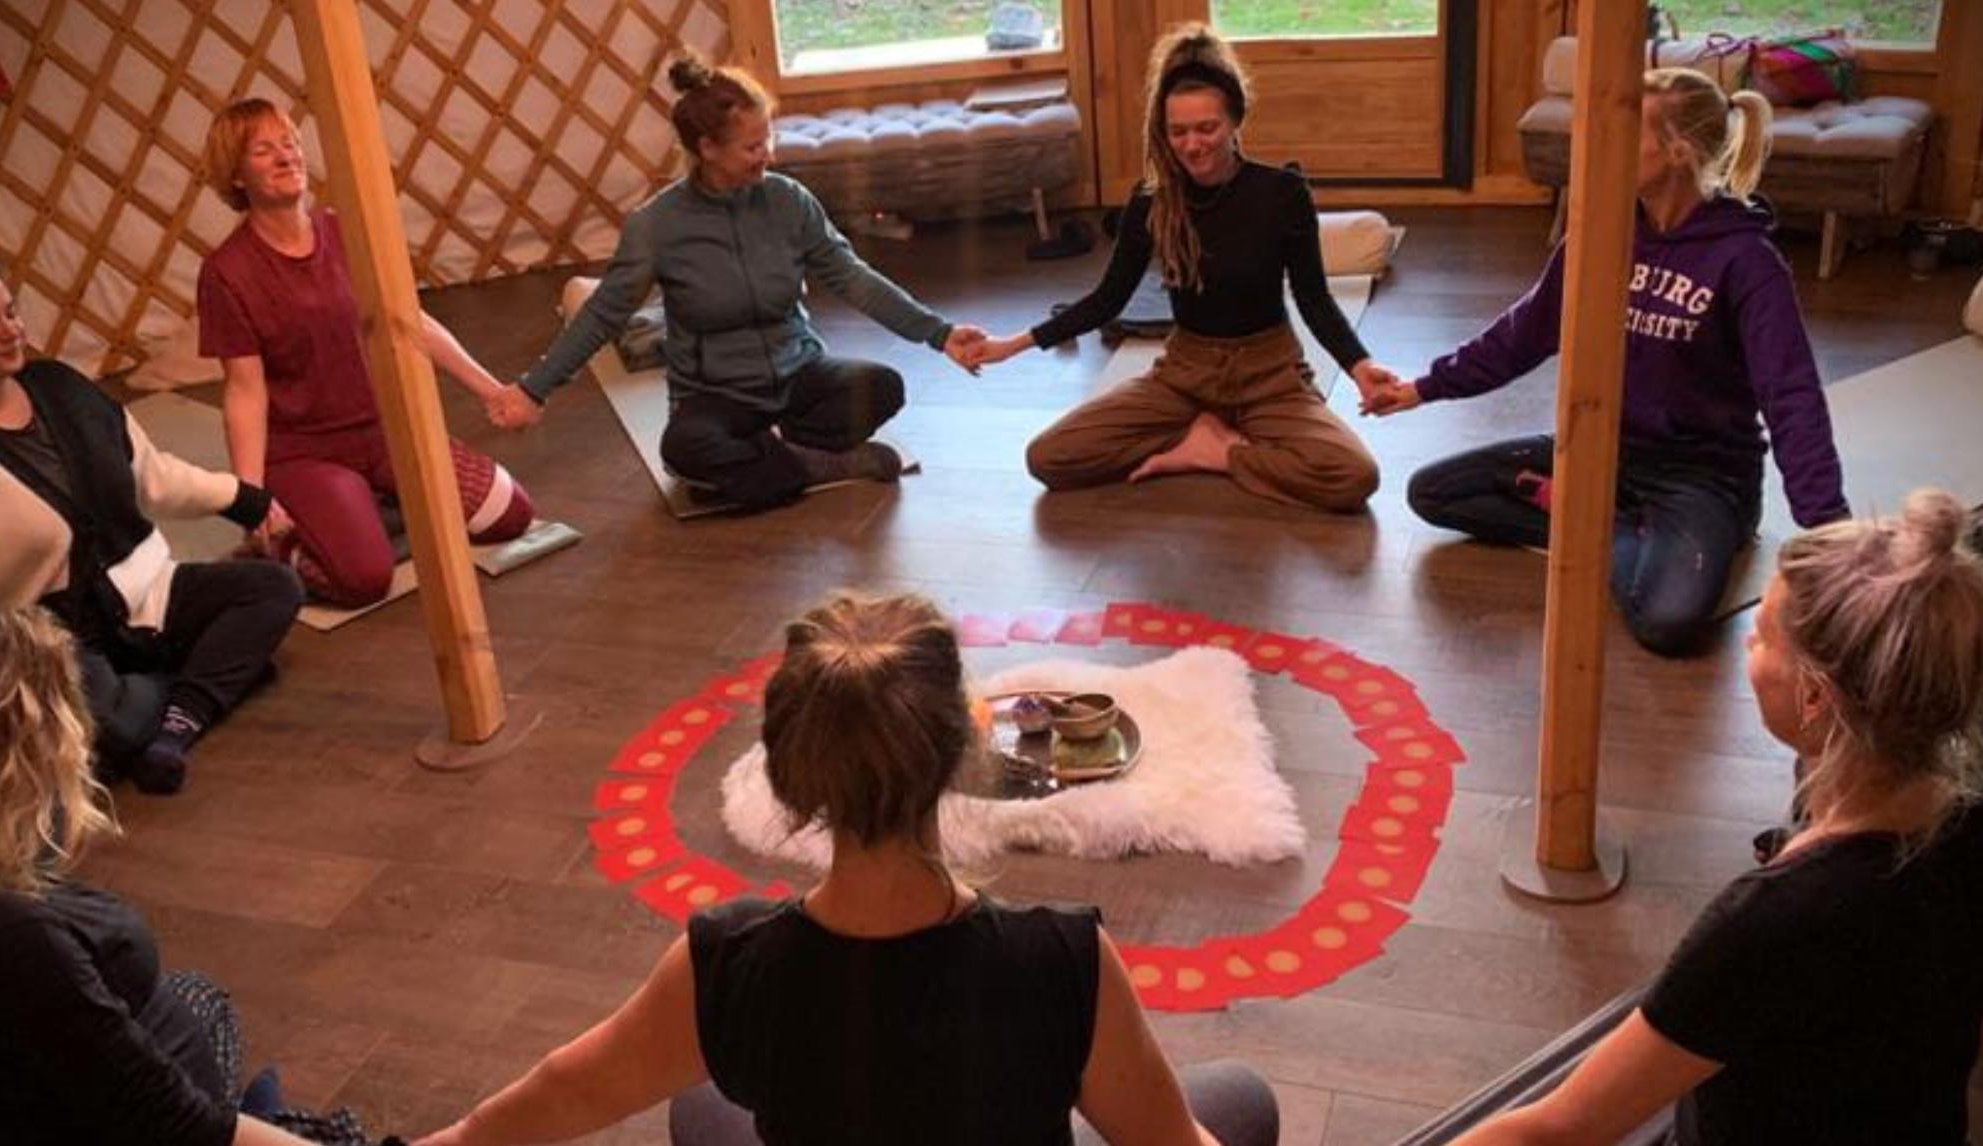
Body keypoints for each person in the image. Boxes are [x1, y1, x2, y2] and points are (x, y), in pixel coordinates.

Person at [414, 593, 1280, 1146]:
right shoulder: (1062, 960)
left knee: (700, 1103)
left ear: (792, 779)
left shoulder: (728, 966)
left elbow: (566, 1090)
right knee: (1241, 1100)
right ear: (962, 753)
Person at [1453, 488, 1983, 1146]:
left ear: (1814, 698)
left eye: (1762, 638)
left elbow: (1558, 1130)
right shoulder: (1964, 825)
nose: (1748, 645)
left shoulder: (1776, 918)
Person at [1367, 67, 1848, 657]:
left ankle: (1589, 523)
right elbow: (1523, 334)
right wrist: (1422, 388)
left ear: (1678, 151)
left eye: (1624, 133)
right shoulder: (1598, 237)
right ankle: (1607, 523)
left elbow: (1791, 395)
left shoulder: (1748, 262)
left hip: (1700, 478)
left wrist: (1829, 529)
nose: (1599, 148)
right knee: (1436, 493)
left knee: (1667, 621)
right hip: (1597, 452)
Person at [488, 50, 988, 511]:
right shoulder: (658, 225)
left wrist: (939, 334)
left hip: (797, 377)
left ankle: (772, 465)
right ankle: (812, 463)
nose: (768, 153)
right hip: (716, 396)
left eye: (769, 138)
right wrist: (534, 390)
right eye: (753, 146)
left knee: (881, 386)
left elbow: (854, 278)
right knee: (686, 449)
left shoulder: (788, 201)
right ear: (707, 147)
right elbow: (602, 314)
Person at [0, 593, 344, 1145]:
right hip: (163, 1125)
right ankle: (263, 1114)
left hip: (72, 1067)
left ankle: (258, 1109)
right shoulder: (2, 932)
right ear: (16, 758)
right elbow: (183, 1129)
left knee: (200, 994)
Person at [0, 219, 301, 794]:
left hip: (145, 594)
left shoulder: (61, 388)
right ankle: (197, 685)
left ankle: (176, 722)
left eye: (11, 312)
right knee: (118, 729)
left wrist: (245, 500)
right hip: (49, 637)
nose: (12, 331)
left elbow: (153, 478)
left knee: (273, 589)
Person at [972, 24, 1391, 512]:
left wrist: (1360, 366)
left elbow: (1314, 299)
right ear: (1163, 132)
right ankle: (1202, 433)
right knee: (1050, 458)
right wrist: (1010, 345)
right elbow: (1108, 299)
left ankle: (1217, 451)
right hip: (1185, 374)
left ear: (1235, 120)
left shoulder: (1281, 193)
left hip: (1271, 375)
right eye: (1178, 132)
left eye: (1206, 128)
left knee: (1352, 476)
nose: (1192, 145)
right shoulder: (1151, 201)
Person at [197, 98, 536, 608]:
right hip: (304, 451)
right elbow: (245, 390)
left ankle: (359, 507)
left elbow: (409, 321)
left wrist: (492, 390)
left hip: (384, 430)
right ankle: (285, 544)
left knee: (509, 515)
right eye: (263, 151)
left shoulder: (345, 233)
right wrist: (251, 499)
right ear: (236, 175)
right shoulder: (228, 272)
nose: (286, 157)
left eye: (290, 143)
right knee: (364, 579)